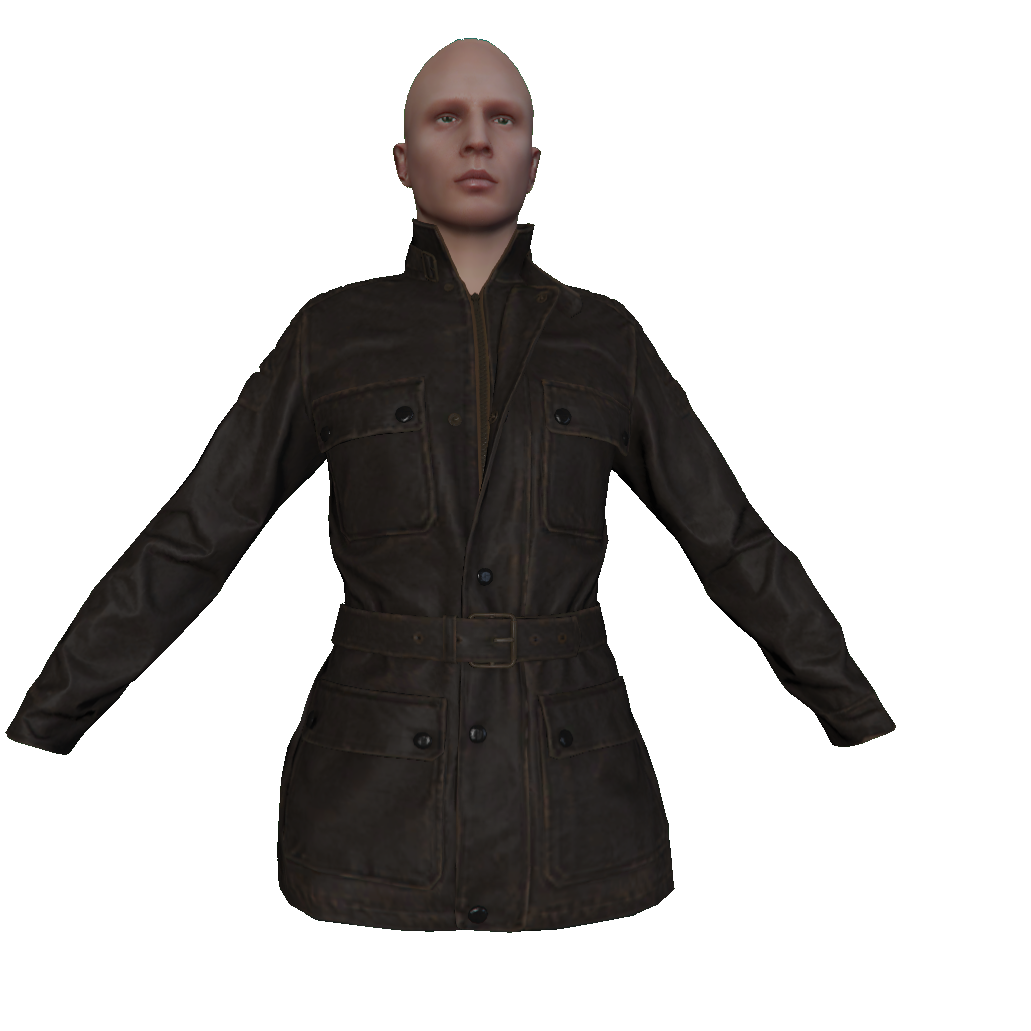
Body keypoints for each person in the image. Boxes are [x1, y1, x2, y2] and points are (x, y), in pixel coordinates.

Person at [6, 38, 895, 932]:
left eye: (502, 120)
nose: (477, 140)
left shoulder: (604, 340)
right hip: (371, 803)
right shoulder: (334, 334)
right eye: (447, 118)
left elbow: (727, 538)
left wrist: (852, 710)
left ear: (533, 162)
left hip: (575, 802)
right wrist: (51, 719)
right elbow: (199, 533)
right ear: (402, 161)